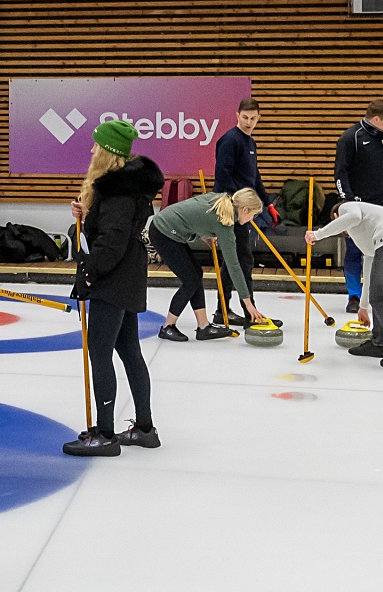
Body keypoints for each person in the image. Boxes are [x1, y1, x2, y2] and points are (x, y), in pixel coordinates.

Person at [64, 120, 163, 456]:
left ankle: (105, 434)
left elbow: (113, 240)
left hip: (114, 277)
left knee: (100, 351)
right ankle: (145, 429)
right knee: (129, 349)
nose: (92, 149)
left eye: (97, 145)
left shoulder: (118, 191)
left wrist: (89, 273)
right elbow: (111, 227)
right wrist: (87, 212)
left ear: (108, 151)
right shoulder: (124, 186)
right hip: (127, 274)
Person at [305, 200, 383, 367]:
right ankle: (378, 344)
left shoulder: (346, 207)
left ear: (337, 217)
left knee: (379, 298)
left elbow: (353, 216)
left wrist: (318, 234)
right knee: (379, 296)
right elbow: (369, 267)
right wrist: (363, 306)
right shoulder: (366, 228)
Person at [147, 189, 272, 342]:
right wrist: (248, 303)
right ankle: (168, 326)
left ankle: (203, 326)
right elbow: (234, 266)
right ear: (244, 209)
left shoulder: (219, 200)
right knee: (190, 280)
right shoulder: (224, 225)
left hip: (170, 229)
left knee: (196, 275)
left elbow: (195, 214)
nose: (251, 219)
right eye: (253, 215)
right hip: (163, 231)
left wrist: (204, 234)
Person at [334, 99, 383, 312]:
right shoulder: (350, 137)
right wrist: (348, 201)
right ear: (377, 119)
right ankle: (354, 296)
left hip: (380, 203)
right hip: (357, 204)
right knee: (355, 251)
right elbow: (340, 173)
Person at [213, 97, 267, 324]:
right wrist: (240, 205)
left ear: (258, 118)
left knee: (233, 260)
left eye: (253, 118)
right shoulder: (230, 140)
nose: (248, 122)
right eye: (245, 117)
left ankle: (223, 310)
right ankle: (249, 312)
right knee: (242, 260)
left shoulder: (250, 142)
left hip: (244, 209)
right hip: (231, 210)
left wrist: (267, 202)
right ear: (237, 115)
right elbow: (223, 176)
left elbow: (254, 176)